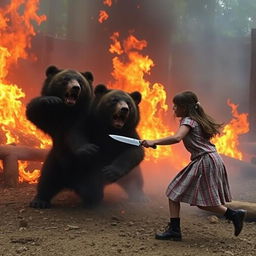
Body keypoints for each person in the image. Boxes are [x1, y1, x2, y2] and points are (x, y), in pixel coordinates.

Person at [141, 91, 247, 241]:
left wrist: (153, 141)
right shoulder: (197, 120)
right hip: (209, 159)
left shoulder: (188, 121)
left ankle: (175, 231)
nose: (173, 109)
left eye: (176, 106)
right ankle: (234, 215)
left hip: (205, 161)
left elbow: (177, 137)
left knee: (173, 193)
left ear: (184, 108)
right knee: (200, 203)